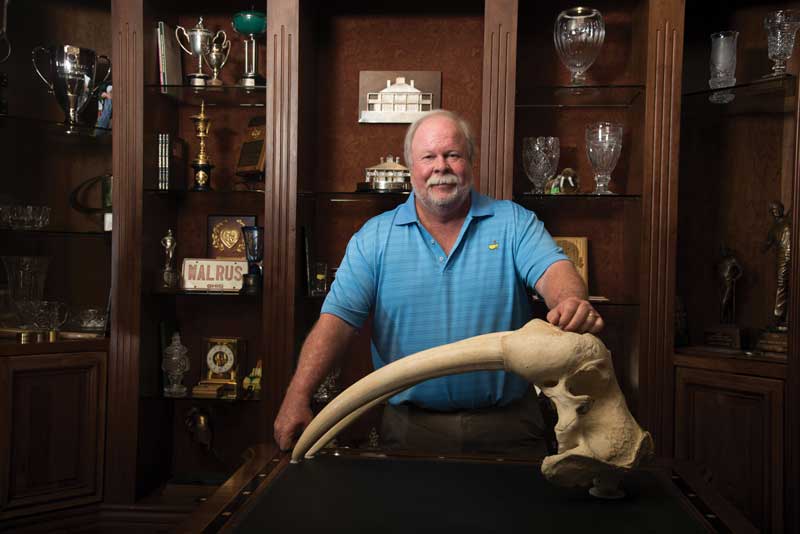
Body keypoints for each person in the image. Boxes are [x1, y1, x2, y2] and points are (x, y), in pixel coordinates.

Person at [274, 110, 604, 455]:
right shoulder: (374, 238)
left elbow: (556, 272)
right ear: (410, 167)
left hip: (509, 428)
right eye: (428, 157)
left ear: (471, 162)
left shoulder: (514, 223)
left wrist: (569, 302)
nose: (440, 166)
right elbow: (336, 323)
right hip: (410, 432)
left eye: (453, 155)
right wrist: (296, 397)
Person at [764, 201, 791, 329]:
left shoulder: (789, 219)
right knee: (782, 285)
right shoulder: (773, 228)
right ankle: (779, 317)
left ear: (782, 209)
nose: (775, 211)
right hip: (781, 260)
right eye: (772, 210)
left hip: (794, 257)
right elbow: (765, 246)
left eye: (776, 208)